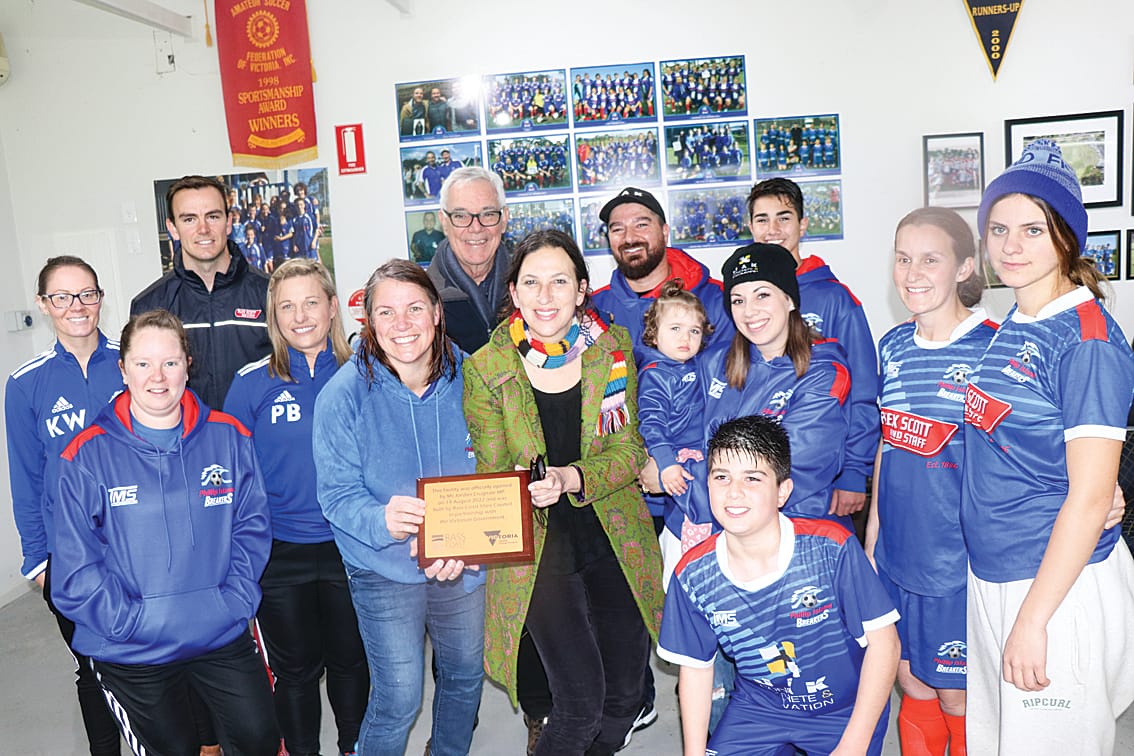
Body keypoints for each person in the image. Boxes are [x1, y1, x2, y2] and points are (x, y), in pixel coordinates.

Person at [463, 229, 664, 755]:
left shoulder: (612, 350)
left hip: (613, 531)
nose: (544, 296)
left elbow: (627, 451)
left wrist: (571, 477)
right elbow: (490, 471)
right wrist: (514, 483)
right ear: (514, 290)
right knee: (578, 703)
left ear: (581, 290)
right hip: (537, 545)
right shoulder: (487, 367)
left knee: (624, 697)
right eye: (531, 282)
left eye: (558, 282)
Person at [962, 139, 1134, 754]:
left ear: (1067, 236)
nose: (1011, 246)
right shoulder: (1017, 319)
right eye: (999, 229)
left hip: (1054, 586)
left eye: (1033, 230)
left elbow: (1089, 501)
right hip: (996, 573)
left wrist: (1033, 621)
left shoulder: (1087, 339)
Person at [51, 309, 279, 755]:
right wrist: (131, 621)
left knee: (259, 737)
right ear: (123, 369)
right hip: (132, 646)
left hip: (218, 630)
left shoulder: (228, 437)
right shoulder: (85, 454)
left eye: (170, 362)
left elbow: (252, 527)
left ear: (187, 366)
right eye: (143, 363)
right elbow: (75, 566)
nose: (158, 376)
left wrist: (230, 599)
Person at [313, 260, 484, 756]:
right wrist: (381, 521)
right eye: (386, 312)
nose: (402, 324)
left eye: (414, 308)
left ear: (436, 313)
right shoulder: (342, 396)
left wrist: (471, 541)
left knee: (464, 676)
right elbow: (337, 495)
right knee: (399, 697)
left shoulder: (475, 378)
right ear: (368, 320)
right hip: (383, 567)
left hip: (464, 565)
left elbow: (499, 467)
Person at [658, 415, 900, 756]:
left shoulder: (831, 548)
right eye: (721, 477)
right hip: (758, 708)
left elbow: (885, 646)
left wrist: (854, 745)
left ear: (782, 491)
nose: (735, 492)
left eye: (753, 478)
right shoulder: (692, 573)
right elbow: (697, 669)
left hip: (843, 710)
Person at [864, 207, 995, 756]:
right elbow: (886, 446)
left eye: (930, 259)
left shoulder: (996, 346)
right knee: (909, 682)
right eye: (903, 258)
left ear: (964, 266)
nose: (913, 272)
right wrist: (872, 536)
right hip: (897, 554)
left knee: (958, 697)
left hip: (957, 564)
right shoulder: (892, 346)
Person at [224, 260, 368, 756]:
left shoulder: (365, 373)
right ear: (273, 316)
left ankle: (352, 747)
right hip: (279, 554)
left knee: (352, 661)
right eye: (287, 305)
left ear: (332, 307)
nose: (300, 315)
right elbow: (232, 476)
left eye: (311, 302)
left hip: (352, 548)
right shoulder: (249, 384)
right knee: (296, 671)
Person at [5, 256, 124, 756]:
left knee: (153, 662)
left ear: (100, 297)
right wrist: (38, 561)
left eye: (87, 294)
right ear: (43, 304)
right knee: (91, 666)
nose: (77, 306)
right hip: (69, 557)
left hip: (134, 545)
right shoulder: (25, 383)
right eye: (63, 296)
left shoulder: (132, 362)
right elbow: (26, 477)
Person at [746, 177, 878, 519]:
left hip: (823, 476)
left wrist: (852, 472)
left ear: (802, 224)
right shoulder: (743, 299)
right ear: (750, 226)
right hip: (755, 472)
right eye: (762, 219)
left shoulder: (836, 298)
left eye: (784, 217)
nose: (772, 228)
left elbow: (863, 391)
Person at [132, 175, 270, 410]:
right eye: (189, 219)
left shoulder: (270, 293)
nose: (203, 229)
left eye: (213, 216)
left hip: (259, 442)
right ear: (172, 229)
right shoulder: (149, 305)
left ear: (228, 223)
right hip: (186, 443)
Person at [593, 186, 732, 365]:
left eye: (641, 225)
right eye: (618, 229)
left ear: (665, 232)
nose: (629, 238)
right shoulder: (594, 307)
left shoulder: (718, 300)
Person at [636, 280, 713, 549]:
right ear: (654, 335)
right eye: (675, 329)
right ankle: (686, 567)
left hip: (703, 455)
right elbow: (652, 424)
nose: (685, 338)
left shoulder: (698, 365)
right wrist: (667, 463)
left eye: (694, 330)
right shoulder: (656, 374)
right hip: (677, 457)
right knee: (692, 523)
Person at [427, 166, 512, 354]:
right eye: (461, 216)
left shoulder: (531, 289)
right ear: (444, 222)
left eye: (487, 214)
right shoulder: (423, 299)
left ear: (504, 219)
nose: (475, 228)